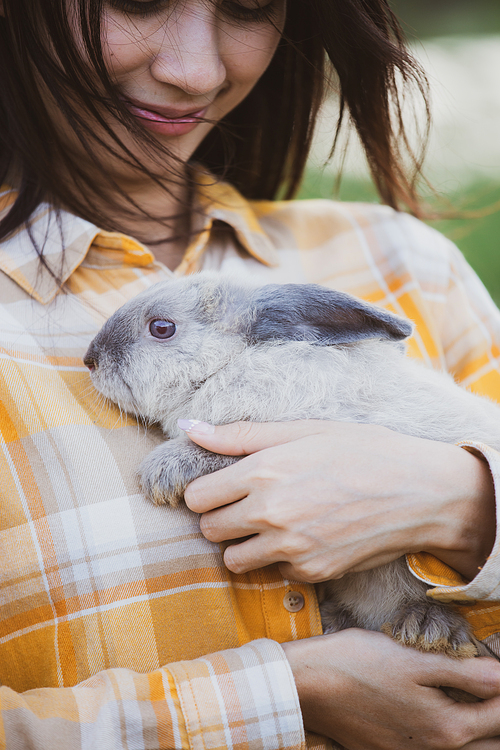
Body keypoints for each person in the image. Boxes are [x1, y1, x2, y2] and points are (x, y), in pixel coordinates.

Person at [1, 0, 500, 748]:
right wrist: (284, 697)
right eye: (138, 1)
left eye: (248, 7)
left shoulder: (407, 264)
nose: (195, 69)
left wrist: (462, 501)